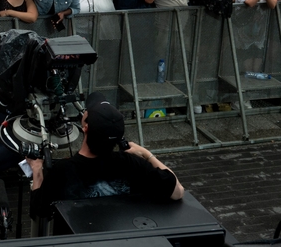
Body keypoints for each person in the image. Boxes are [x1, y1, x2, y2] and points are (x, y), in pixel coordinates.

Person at [28, 92, 184, 218]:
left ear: (86, 127)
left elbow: (39, 210)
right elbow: (178, 192)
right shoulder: (130, 163)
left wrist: (37, 170)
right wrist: (145, 154)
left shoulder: (62, 171)